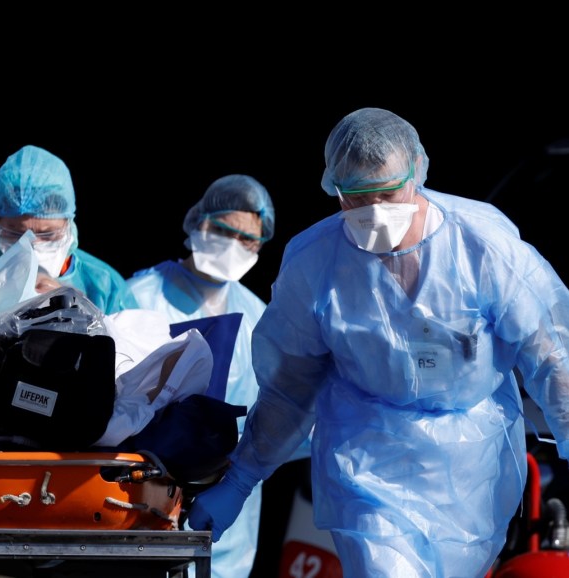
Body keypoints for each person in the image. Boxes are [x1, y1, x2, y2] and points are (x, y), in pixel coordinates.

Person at [186, 108, 569, 577]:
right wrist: (241, 479)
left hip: (473, 465)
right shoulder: (316, 263)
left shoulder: (482, 246)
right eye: (358, 200)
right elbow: (290, 387)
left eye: (388, 194)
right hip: (368, 455)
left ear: (419, 171)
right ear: (335, 191)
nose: (376, 214)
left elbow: (550, 355)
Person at [126, 174, 308, 578]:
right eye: (226, 232)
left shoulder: (260, 318)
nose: (236, 247)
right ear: (199, 222)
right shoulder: (140, 297)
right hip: (141, 493)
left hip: (225, 518)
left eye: (250, 242)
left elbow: (286, 413)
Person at [0, 144, 138, 351]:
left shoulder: (105, 286)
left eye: (47, 234)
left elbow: (132, 369)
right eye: (15, 234)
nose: (32, 246)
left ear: (69, 223)